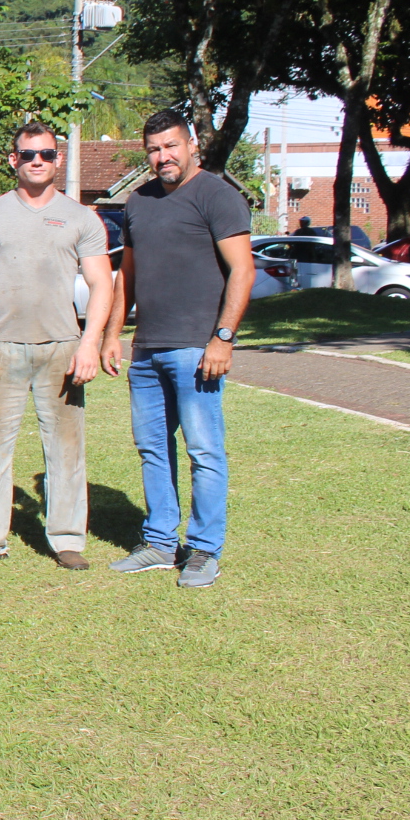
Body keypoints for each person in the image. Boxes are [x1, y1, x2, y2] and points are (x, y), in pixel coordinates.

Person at [102, 110, 255, 589]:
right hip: (147, 349)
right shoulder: (139, 201)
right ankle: (161, 543)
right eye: (153, 149)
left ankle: (204, 550)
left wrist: (222, 338)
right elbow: (125, 274)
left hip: (197, 349)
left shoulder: (217, 195)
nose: (162, 157)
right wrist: (111, 334)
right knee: (153, 449)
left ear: (191, 146)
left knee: (204, 451)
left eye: (171, 146)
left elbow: (243, 271)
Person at [0, 123, 113, 570]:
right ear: (12, 161)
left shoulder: (82, 218)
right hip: (1, 348)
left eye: (45, 154)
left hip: (63, 348)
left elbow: (102, 284)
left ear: (57, 159)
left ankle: (66, 539)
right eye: (28, 155)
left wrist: (90, 343)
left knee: (65, 448)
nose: (37, 161)